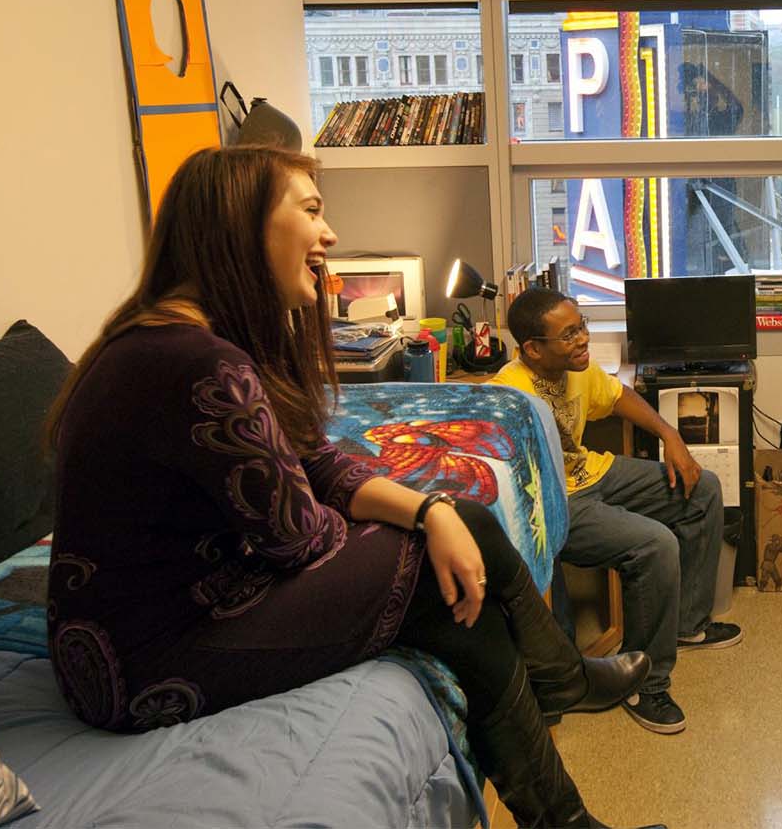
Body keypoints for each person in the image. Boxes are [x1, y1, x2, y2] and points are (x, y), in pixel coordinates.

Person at [45, 146, 651, 829]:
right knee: (438, 573)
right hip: (145, 662)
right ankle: (562, 736)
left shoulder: (187, 339)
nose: (329, 236)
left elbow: (320, 464)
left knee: (462, 520)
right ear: (243, 225)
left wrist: (432, 508)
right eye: (310, 211)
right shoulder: (196, 362)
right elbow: (301, 538)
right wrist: (418, 531)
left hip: (162, 619)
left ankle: (562, 711)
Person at [491, 288, 741, 735]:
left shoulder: (577, 369)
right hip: (556, 504)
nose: (583, 338)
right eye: (569, 335)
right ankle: (646, 682)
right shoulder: (509, 395)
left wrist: (670, 435)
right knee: (654, 544)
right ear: (532, 349)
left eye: (582, 325)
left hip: (592, 474)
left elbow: (618, 394)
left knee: (702, 489)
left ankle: (687, 624)